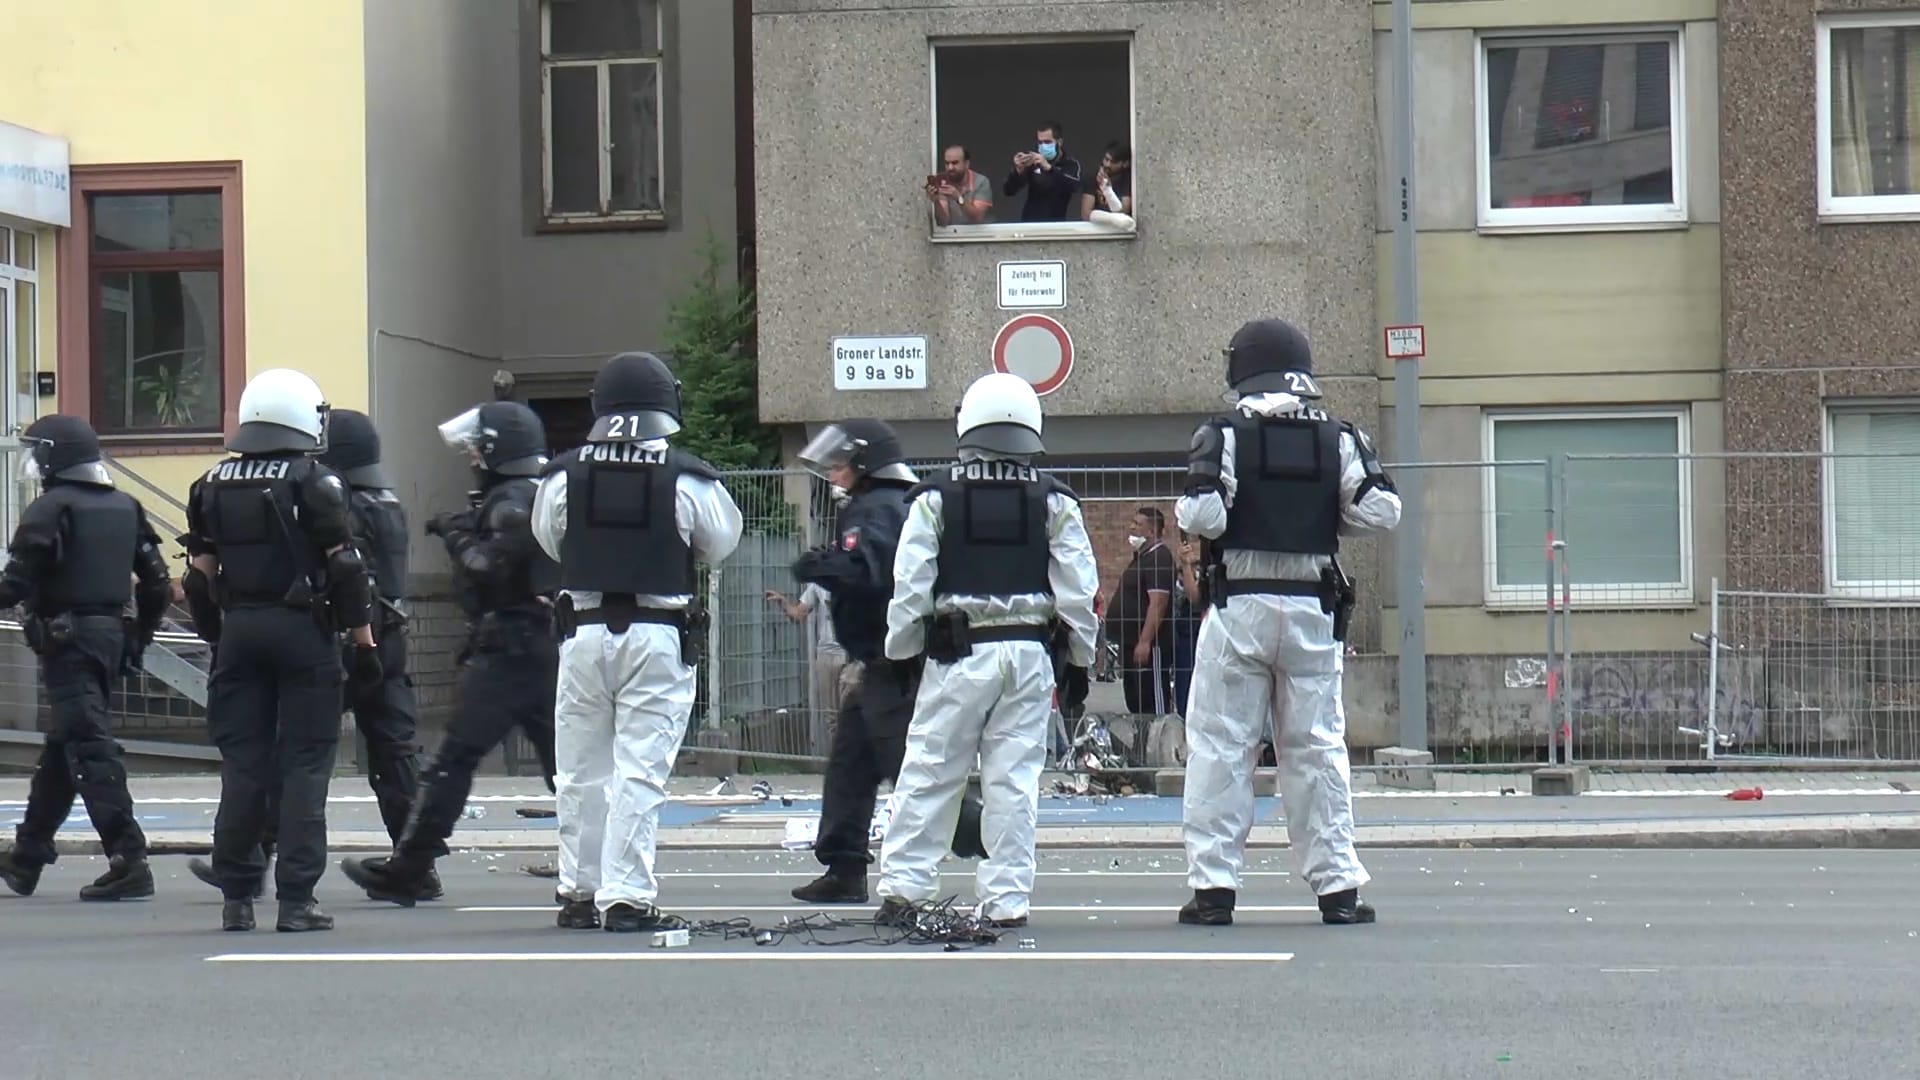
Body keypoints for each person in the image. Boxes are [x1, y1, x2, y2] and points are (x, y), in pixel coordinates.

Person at [1176, 317, 1401, 928]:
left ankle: (1214, 891)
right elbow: (1382, 509)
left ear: (1241, 368)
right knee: (1318, 750)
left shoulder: (1223, 432)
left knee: (1223, 749)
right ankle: (1338, 892)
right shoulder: (1338, 435)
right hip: (1312, 609)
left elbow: (1203, 513)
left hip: (1240, 607)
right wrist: (1328, 520)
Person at [874, 372, 1099, 928]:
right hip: (1027, 654)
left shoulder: (934, 497)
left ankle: (905, 891)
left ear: (966, 424)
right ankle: (1006, 901)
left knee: (931, 771)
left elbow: (910, 587)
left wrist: (902, 653)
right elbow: (1079, 591)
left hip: (956, 652)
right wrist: (1081, 662)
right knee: (1014, 781)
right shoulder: (1055, 500)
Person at [186, 408, 438, 898]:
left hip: (343, 634)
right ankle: (416, 864)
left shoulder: (333, 500)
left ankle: (252, 858)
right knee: (394, 751)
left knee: (292, 749)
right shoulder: (386, 501)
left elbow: (339, 570)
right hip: (390, 635)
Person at [532, 351, 743, 932]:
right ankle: (625, 895)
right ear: (665, 404)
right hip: (656, 633)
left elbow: (551, 542)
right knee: (639, 770)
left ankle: (578, 890)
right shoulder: (686, 477)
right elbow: (719, 543)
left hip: (583, 629)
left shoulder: (562, 475)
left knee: (580, 771)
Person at [341, 400, 560, 906]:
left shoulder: (512, 501)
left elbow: (490, 568)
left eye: (478, 451)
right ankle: (598, 864)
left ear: (498, 452)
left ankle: (410, 868)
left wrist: (455, 532)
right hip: (538, 645)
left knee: (454, 759)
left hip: (511, 647)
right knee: (565, 768)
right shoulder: (537, 493)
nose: (472, 460)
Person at [182, 369, 378, 932]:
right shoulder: (317, 481)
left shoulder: (211, 483)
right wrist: (364, 644)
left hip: (240, 630)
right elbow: (345, 568)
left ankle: (237, 898)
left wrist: (219, 637)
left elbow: (198, 579)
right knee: (305, 766)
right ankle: (296, 900)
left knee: (243, 766)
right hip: (302, 632)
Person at [0, 415, 170, 902]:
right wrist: (138, 637)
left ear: (57, 455)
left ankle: (128, 857)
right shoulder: (126, 505)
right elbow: (157, 582)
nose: (33, 460)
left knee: (89, 746)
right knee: (66, 747)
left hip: (67, 640)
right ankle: (28, 855)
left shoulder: (50, 508)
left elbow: (16, 584)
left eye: (38, 450)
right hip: (110, 635)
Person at [783, 419, 921, 903]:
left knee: (905, 765)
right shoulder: (900, 502)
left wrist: (820, 565)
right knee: (852, 763)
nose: (834, 473)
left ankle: (970, 833)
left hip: (892, 664)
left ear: (865, 463)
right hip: (884, 661)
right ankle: (844, 868)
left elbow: (869, 570)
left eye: (841, 462)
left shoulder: (874, 508)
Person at [1106, 506, 1176, 716]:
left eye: (1138, 524)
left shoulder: (1159, 559)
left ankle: (1159, 741)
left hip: (1149, 646)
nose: (1131, 528)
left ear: (1151, 531)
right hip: (1129, 644)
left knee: (1152, 700)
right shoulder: (1140, 559)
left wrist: (1145, 641)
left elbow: (1158, 603)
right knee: (1135, 699)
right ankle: (1142, 740)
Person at [764, 582, 849, 732]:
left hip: (853, 655)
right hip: (827, 653)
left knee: (852, 712)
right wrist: (783, 603)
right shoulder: (819, 582)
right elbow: (799, 614)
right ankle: (840, 753)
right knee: (832, 717)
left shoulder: (860, 573)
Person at [1003, 120, 1083, 223]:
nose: (1043, 146)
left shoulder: (1070, 164)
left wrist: (1049, 168)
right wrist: (1018, 171)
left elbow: (1074, 186)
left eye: (1047, 142)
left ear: (1059, 142)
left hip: (1056, 224)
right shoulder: (1033, 160)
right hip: (1029, 223)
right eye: (1040, 142)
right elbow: (1009, 191)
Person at [1169, 530, 1203, 718]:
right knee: (1184, 686)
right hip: (1184, 639)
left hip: (1200, 637)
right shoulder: (1176, 588)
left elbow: (1195, 596)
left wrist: (1188, 565)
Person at [926, 144, 993, 226]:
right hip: (953, 235)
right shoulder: (942, 180)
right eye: (947, 163)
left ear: (967, 164)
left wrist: (958, 198)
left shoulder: (981, 181)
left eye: (955, 163)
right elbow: (943, 222)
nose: (950, 167)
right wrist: (936, 201)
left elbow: (977, 217)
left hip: (979, 235)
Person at [1077, 140, 1135, 228]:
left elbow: (1124, 213)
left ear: (1125, 164)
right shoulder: (1092, 178)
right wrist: (1112, 219)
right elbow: (1086, 214)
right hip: (1098, 232)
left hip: (1121, 233)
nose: (1107, 164)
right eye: (1106, 159)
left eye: (1113, 162)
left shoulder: (1128, 179)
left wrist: (1108, 190)